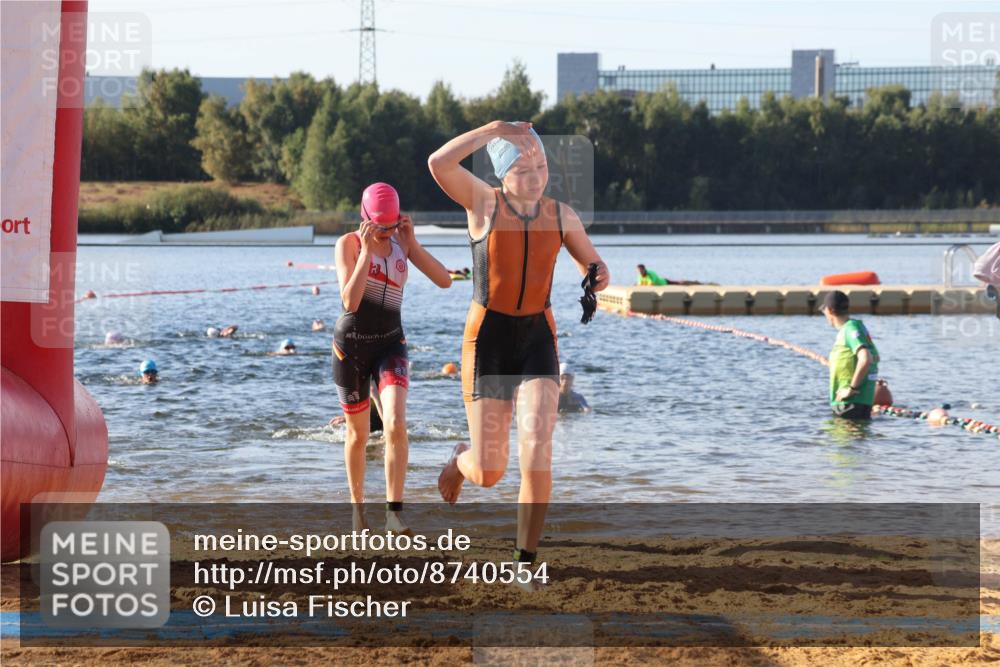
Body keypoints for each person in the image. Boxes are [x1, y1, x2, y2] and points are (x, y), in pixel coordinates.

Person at [428, 120, 609, 581]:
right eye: (523, 169)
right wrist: (491, 130)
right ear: (501, 175)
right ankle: (459, 459)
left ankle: (524, 564)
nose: (535, 177)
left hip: (537, 341)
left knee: (536, 452)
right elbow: (438, 163)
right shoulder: (483, 203)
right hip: (487, 339)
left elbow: (592, 259)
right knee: (489, 471)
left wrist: (599, 274)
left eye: (541, 166)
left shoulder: (562, 215)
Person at [334, 182, 452, 534]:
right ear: (366, 220)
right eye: (380, 228)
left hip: (390, 344)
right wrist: (368, 253)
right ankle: (358, 513)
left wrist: (412, 244)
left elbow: (445, 280)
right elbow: (349, 302)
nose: (387, 235)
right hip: (351, 348)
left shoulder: (402, 242)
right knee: (357, 436)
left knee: (396, 423)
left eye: (391, 226)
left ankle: (393, 513)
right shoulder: (349, 245)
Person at [821, 290, 880, 420]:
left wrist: (851, 388)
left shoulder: (849, 330)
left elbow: (866, 358)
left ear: (830, 311)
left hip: (849, 403)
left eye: (823, 311)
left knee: (838, 438)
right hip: (862, 402)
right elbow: (876, 357)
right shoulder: (858, 327)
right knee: (858, 439)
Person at [636, 263, 706, 286]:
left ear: (644, 269)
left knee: (680, 283)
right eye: (639, 271)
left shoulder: (651, 273)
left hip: (665, 282)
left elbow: (652, 284)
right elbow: (639, 284)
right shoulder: (639, 276)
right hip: (661, 282)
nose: (640, 272)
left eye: (641, 270)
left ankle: (695, 282)